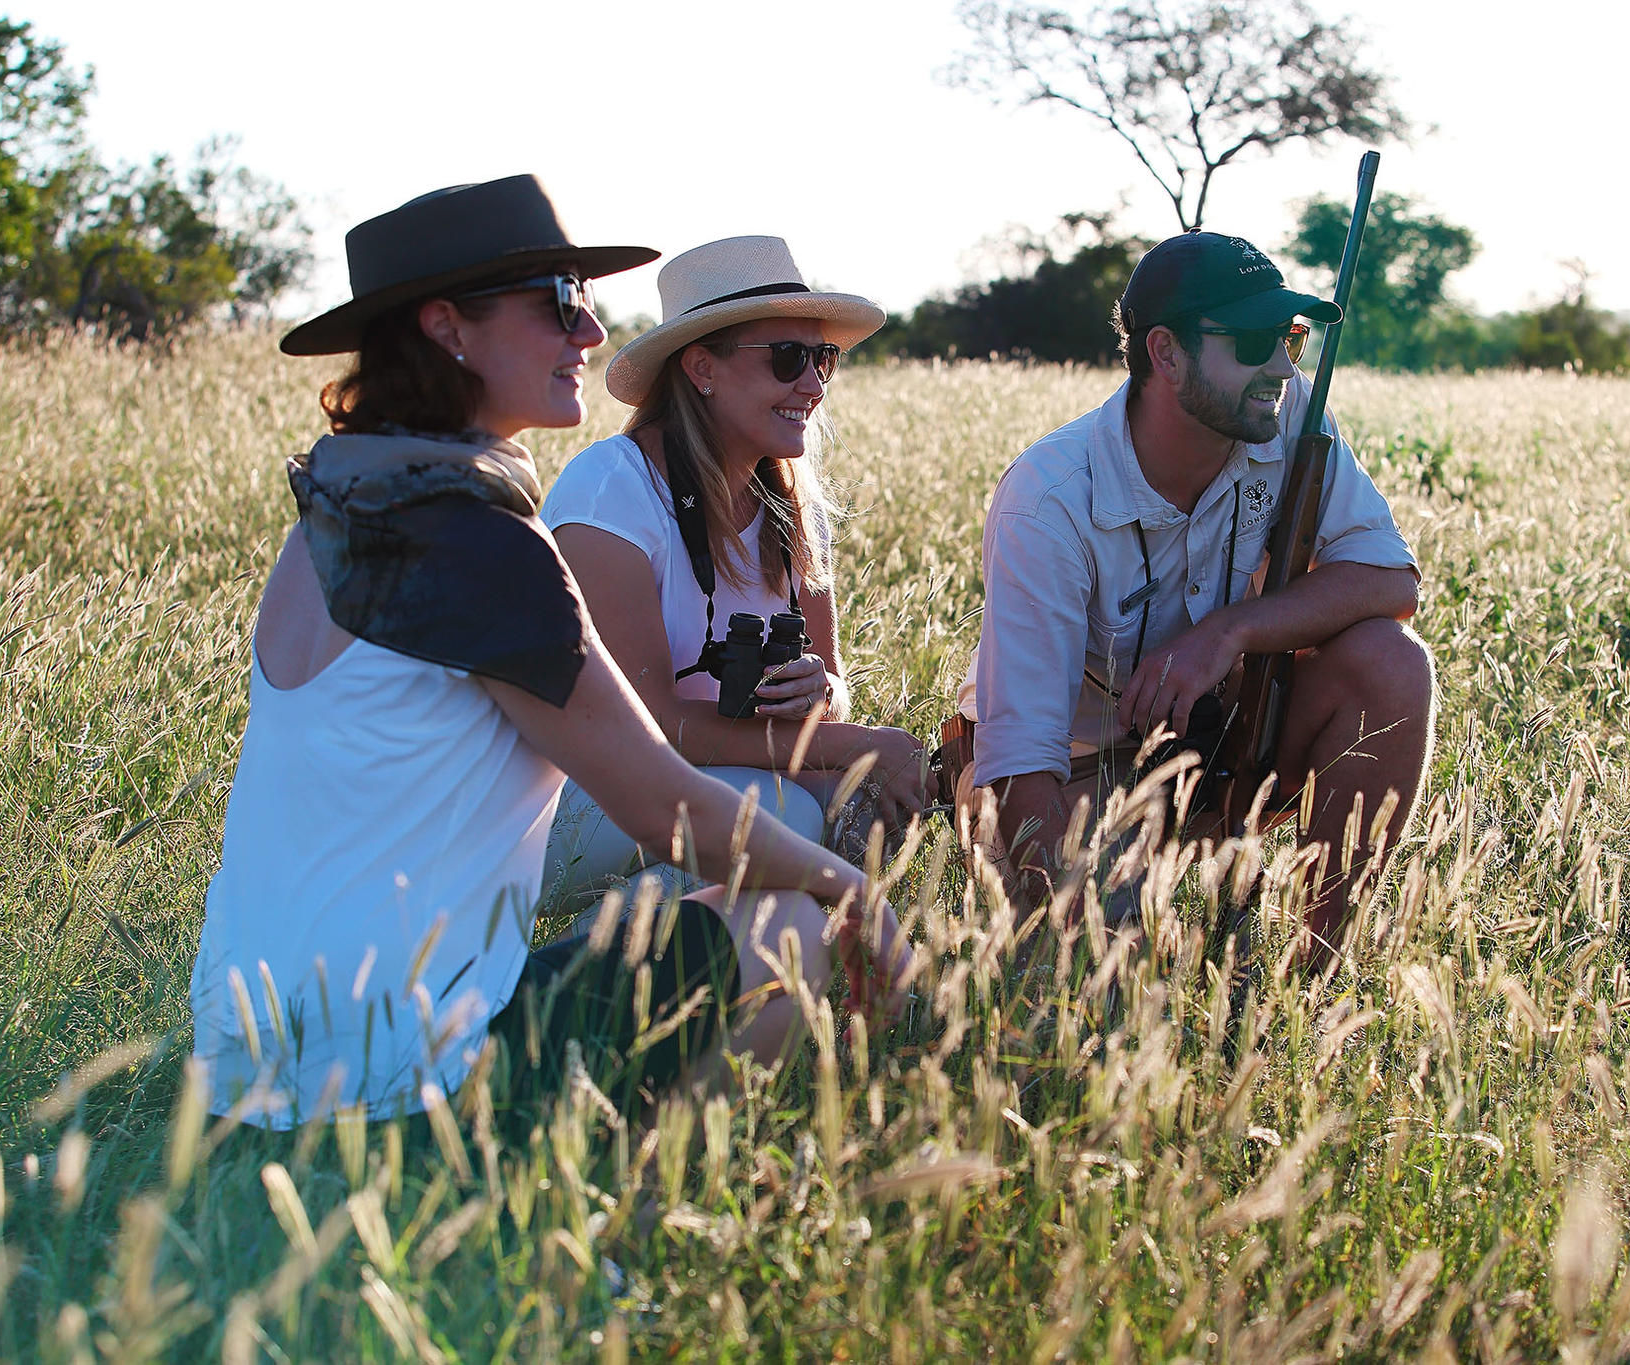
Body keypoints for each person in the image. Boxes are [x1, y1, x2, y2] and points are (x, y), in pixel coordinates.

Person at [188, 177, 908, 1130]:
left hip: (252, 1062)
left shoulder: (340, 507)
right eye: (560, 303)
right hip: (399, 1077)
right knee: (798, 927)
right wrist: (856, 888)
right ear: (448, 327)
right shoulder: (473, 539)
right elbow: (661, 801)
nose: (590, 335)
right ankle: (606, 1222)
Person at [950, 229, 1436, 960]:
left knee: (1393, 663)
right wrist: (1069, 934)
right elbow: (1023, 761)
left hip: (1223, 748)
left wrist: (1228, 632)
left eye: (1291, 337)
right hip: (1075, 777)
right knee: (1092, 966)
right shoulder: (1048, 498)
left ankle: (1317, 968)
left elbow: (1391, 580)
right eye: (1250, 339)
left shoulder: (1290, 410)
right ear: (1165, 353)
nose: (1279, 364)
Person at [536, 236, 930, 910]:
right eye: (787, 358)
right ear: (701, 369)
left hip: (705, 784)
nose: (812, 384)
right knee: (790, 816)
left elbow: (830, 692)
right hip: (569, 797)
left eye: (822, 358)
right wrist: (856, 744)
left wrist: (821, 694)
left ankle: (658, 974)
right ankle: (585, 974)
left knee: (835, 810)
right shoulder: (611, 490)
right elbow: (652, 723)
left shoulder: (795, 508)